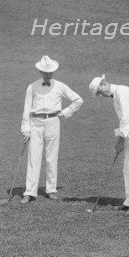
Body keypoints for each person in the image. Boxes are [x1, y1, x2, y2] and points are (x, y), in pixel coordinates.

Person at [20, 56, 83, 204]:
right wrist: (25, 128)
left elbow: (78, 100)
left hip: (53, 122)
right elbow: (27, 109)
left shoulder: (60, 86)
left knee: (51, 156)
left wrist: (64, 112)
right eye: (45, 72)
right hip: (35, 123)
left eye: (50, 72)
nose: (48, 75)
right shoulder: (32, 87)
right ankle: (30, 192)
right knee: (33, 157)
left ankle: (51, 190)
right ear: (40, 71)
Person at [89, 74, 129, 215]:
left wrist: (121, 139)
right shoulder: (116, 95)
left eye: (99, 92)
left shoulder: (121, 92)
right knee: (126, 167)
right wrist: (122, 136)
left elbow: (125, 118)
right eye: (98, 94)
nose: (101, 95)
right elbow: (124, 120)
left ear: (104, 83)